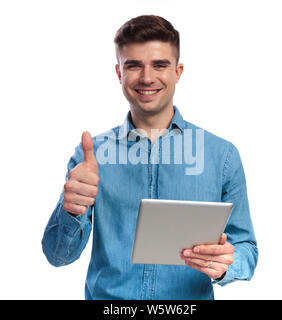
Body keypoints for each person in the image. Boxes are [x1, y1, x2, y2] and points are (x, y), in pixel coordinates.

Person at [42, 15, 258, 300]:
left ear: (178, 72)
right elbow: (58, 257)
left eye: (160, 65)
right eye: (133, 65)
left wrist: (226, 264)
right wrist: (71, 211)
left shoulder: (222, 156)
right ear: (119, 73)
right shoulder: (90, 158)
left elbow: (247, 249)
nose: (147, 78)